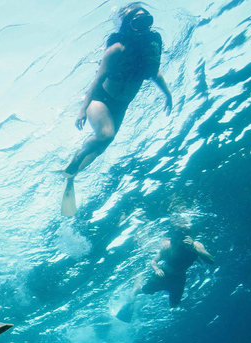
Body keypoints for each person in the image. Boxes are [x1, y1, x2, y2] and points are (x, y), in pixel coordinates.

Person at [61, 3, 173, 216]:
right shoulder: (116, 49)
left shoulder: (151, 47)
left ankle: (72, 174)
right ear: (128, 26)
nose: (145, 26)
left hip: (121, 106)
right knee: (105, 134)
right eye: (138, 22)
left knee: (104, 145)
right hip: (101, 99)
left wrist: (167, 94)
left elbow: (154, 72)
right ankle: (74, 162)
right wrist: (83, 109)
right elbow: (98, 79)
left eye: (147, 21)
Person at [117, 225, 215, 321]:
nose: (178, 242)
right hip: (163, 275)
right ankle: (137, 289)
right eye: (176, 239)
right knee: (146, 291)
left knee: (174, 304)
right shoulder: (168, 247)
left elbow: (211, 261)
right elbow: (153, 261)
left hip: (179, 278)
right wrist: (156, 269)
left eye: (181, 238)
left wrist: (194, 248)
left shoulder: (196, 245)